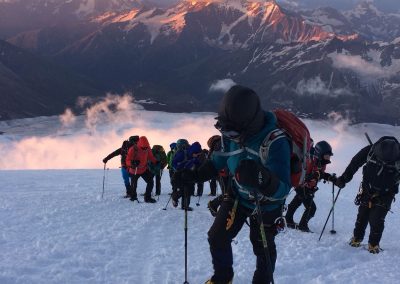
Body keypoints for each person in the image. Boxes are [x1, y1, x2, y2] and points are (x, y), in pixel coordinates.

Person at [175, 85, 291, 284]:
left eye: (232, 132)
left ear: (249, 124)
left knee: (262, 247)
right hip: (238, 195)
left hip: (267, 205)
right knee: (217, 237)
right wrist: (191, 176)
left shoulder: (275, 142)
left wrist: (261, 178)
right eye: (224, 131)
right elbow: (217, 162)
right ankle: (223, 278)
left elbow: (282, 189)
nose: (228, 137)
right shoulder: (231, 133)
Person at [334, 136, 400, 254]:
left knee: (377, 219)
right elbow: (355, 163)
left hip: (384, 193)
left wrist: (344, 179)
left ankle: (373, 244)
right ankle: (357, 238)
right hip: (371, 190)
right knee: (363, 215)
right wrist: (344, 178)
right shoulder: (371, 150)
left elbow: (355, 163)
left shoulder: (376, 151)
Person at [285, 140, 335, 232]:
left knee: (297, 201)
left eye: (329, 156)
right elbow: (301, 173)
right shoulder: (309, 160)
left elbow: (321, 174)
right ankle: (302, 226)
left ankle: (288, 220)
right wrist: (309, 177)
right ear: (320, 154)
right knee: (311, 208)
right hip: (301, 185)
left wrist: (331, 178)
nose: (328, 158)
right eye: (326, 156)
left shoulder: (321, 162)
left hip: (308, 187)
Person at [126, 136, 158, 203]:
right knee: (134, 185)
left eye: (146, 147)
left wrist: (155, 161)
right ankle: (133, 198)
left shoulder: (147, 148)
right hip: (134, 170)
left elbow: (150, 156)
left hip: (143, 169)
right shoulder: (133, 149)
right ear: (139, 144)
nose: (145, 148)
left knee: (150, 182)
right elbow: (127, 160)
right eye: (143, 147)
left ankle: (147, 198)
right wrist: (132, 163)